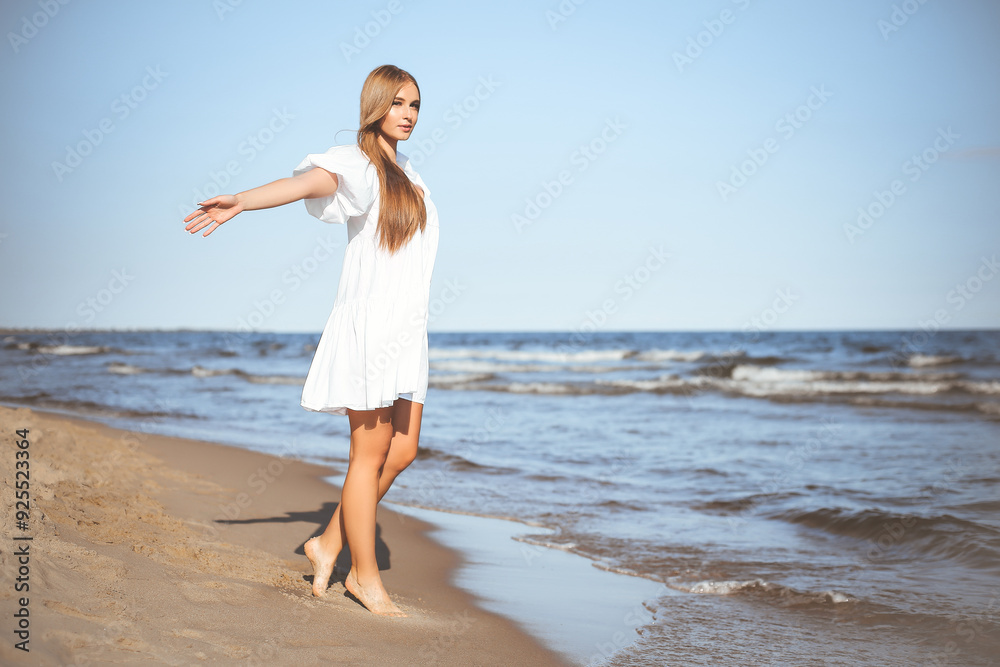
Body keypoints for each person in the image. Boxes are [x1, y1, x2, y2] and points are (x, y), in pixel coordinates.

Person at [182, 64, 439, 617]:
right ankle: (364, 580)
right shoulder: (356, 163)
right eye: (398, 103)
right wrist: (243, 201)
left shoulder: (409, 173)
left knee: (403, 450)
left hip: (407, 329)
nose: (409, 113)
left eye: (415, 104)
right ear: (376, 106)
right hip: (370, 326)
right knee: (367, 455)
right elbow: (304, 184)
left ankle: (327, 542)